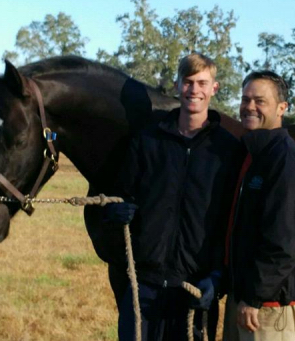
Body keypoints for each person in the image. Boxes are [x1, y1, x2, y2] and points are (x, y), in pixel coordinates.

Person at [103, 53, 241, 341]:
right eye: (188, 82)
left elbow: (232, 223)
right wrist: (116, 210)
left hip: (194, 290)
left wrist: (218, 279)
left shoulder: (227, 150)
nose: (194, 90)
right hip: (145, 287)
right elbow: (121, 194)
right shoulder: (148, 140)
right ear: (177, 86)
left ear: (214, 89)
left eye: (202, 83)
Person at [223, 71, 295, 341]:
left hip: (266, 308)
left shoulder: (286, 161)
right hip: (244, 299)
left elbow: (284, 242)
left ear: (282, 108)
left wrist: (254, 297)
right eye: (245, 99)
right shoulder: (254, 155)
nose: (249, 107)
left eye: (260, 101)